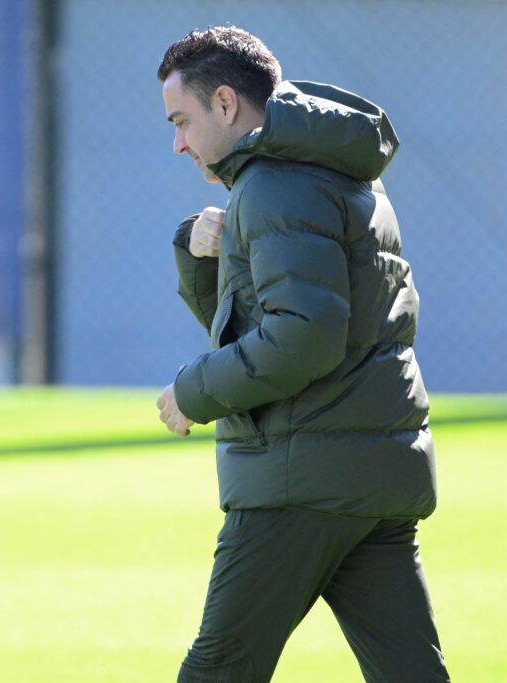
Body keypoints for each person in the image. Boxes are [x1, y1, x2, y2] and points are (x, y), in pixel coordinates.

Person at [154, 26, 450, 682]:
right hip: (371, 473)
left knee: (218, 670)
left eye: (182, 120)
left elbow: (302, 340)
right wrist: (205, 252)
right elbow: (265, 326)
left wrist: (192, 389)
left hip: (300, 476)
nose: (177, 141)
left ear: (226, 104)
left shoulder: (273, 185)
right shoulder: (338, 172)